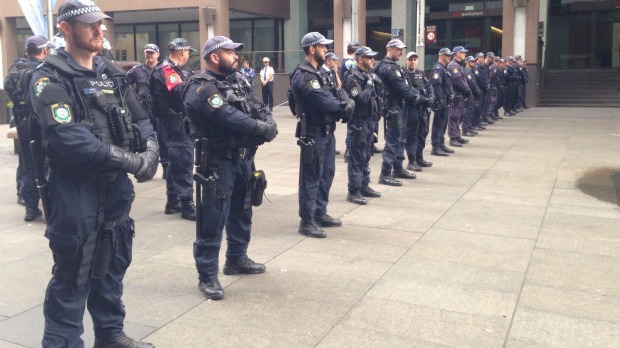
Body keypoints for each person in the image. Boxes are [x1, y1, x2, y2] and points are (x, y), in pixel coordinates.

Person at [27, 1, 158, 346]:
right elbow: (69, 139)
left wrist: (152, 151)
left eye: (102, 24)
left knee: (112, 264)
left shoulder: (111, 72)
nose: (100, 30)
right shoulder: (48, 77)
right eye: (90, 25)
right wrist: (132, 162)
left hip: (115, 190)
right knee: (74, 273)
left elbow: (142, 118)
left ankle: (111, 336)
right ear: (66, 30)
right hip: (75, 193)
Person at [183, 36, 277, 300]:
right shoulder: (201, 87)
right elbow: (224, 114)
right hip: (217, 162)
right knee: (213, 219)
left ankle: (236, 259)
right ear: (214, 57)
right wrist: (260, 128)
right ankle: (208, 276)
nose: (236, 56)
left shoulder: (239, 81)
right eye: (230, 52)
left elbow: (259, 106)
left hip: (244, 159)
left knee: (242, 211)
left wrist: (268, 121)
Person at [290, 31, 355, 238]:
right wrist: (344, 107)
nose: (326, 50)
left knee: (326, 174)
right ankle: (307, 221)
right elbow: (323, 100)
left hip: (327, 132)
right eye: (323, 47)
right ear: (312, 49)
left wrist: (346, 102)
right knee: (311, 177)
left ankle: (320, 212)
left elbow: (338, 90)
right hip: (313, 133)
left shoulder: (323, 72)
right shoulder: (305, 75)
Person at [4, 35, 51, 221]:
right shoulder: (42, 71)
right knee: (44, 164)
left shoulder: (16, 68)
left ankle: (30, 205)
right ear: (44, 50)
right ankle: (46, 205)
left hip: (22, 122)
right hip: (38, 123)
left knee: (27, 163)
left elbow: (8, 88)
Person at [150, 38, 197, 220]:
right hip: (176, 121)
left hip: (174, 120)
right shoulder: (168, 69)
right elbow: (180, 91)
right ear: (182, 52)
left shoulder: (172, 68)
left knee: (174, 161)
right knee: (184, 159)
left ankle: (172, 200)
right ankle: (187, 204)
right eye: (188, 53)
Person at [374, 39, 420, 186]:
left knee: (400, 139)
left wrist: (414, 94)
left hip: (399, 107)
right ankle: (385, 173)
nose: (401, 52)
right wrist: (416, 96)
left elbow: (406, 85)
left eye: (401, 49)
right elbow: (403, 88)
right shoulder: (389, 67)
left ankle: (398, 168)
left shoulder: (392, 66)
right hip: (394, 108)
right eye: (398, 49)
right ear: (390, 49)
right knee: (393, 141)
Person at [343, 46, 382, 205]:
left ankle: (364, 185)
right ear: (360, 59)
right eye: (369, 57)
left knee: (366, 155)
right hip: (358, 122)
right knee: (356, 157)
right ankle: (353, 190)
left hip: (368, 121)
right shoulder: (353, 78)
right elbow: (361, 100)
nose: (373, 60)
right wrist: (370, 85)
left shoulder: (367, 75)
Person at [127, 44, 170, 179]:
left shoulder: (165, 69)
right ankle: (146, 168)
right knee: (145, 139)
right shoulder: (136, 71)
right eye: (147, 53)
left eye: (152, 53)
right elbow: (124, 85)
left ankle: (166, 167)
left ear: (158, 54)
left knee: (163, 140)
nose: (149, 55)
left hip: (160, 110)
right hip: (144, 111)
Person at [403, 51, 434, 171]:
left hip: (423, 109)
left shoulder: (420, 73)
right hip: (412, 108)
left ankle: (419, 158)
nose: (413, 62)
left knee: (422, 133)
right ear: (406, 61)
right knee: (412, 135)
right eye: (410, 59)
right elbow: (410, 91)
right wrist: (425, 100)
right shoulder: (404, 74)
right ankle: (411, 161)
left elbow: (429, 85)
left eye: (415, 59)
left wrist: (432, 97)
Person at [430, 48, 455, 156]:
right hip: (441, 100)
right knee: (438, 124)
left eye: (450, 55)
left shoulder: (444, 68)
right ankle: (435, 146)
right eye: (447, 55)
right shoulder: (438, 68)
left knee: (443, 123)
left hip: (446, 100)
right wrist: (439, 100)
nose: (449, 57)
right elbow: (437, 86)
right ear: (441, 55)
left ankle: (441, 143)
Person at [446, 46, 471, 149]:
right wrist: (467, 90)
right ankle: (453, 137)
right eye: (463, 53)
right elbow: (458, 80)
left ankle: (457, 135)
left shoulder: (458, 65)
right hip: (455, 94)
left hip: (459, 95)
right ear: (457, 54)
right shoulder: (453, 66)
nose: (465, 54)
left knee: (459, 115)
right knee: (454, 116)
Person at [462, 56, 481, 138]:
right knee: (467, 112)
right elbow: (471, 84)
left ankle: (469, 128)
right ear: (467, 62)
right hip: (469, 94)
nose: (474, 63)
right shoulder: (467, 72)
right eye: (472, 61)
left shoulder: (470, 71)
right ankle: (465, 130)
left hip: (472, 94)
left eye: (474, 61)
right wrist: (477, 91)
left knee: (470, 111)